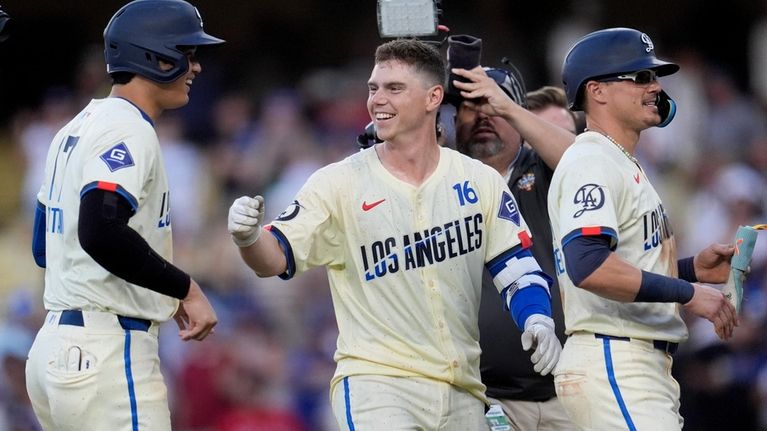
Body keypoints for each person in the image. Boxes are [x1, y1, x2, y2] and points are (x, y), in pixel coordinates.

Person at [228, 38, 558, 430]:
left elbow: (516, 267)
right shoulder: (338, 182)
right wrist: (249, 238)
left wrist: (538, 318)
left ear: (433, 97)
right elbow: (276, 257)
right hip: (378, 384)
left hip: (463, 389)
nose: (376, 100)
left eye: (394, 89)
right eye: (373, 88)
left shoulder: (479, 180)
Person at [25, 1, 223, 429]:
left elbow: (45, 247)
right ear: (156, 56)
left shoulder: (74, 126)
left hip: (53, 351)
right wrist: (183, 289)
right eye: (187, 53)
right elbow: (100, 230)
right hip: (108, 354)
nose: (196, 66)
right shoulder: (128, 126)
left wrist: (149, 293)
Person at [548, 27, 739, 430]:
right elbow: (589, 265)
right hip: (615, 358)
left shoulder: (619, 160)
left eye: (653, 77)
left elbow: (625, 264)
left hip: (634, 362)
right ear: (597, 91)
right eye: (640, 77)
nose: (655, 86)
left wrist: (691, 270)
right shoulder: (593, 161)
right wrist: (689, 293)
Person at [451, 65, 576, 430]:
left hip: (570, 388)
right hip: (482, 395)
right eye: (470, 106)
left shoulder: (547, 167)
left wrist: (508, 108)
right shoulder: (441, 176)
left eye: (491, 102)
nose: (483, 115)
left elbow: (594, 165)